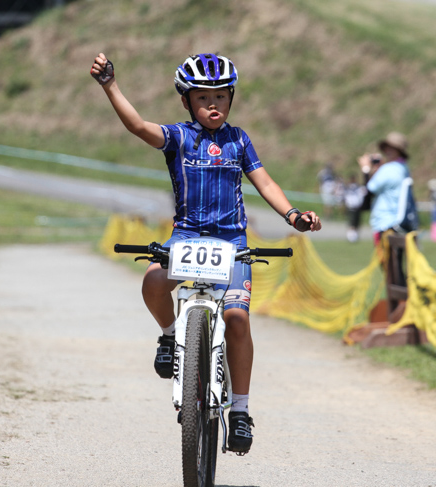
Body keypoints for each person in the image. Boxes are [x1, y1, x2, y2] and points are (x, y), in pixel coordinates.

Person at [90, 52, 321, 454]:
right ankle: (168, 337)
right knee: (152, 281)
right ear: (186, 102)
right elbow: (138, 126)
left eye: (220, 97)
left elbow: (264, 182)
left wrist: (293, 215)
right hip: (186, 239)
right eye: (202, 98)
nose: (212, 105)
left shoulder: (239, 139)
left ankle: (242, 412)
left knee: (236, 318)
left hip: (232, 243)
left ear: (232, 98)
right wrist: (110, 85)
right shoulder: (179, 137)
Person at [357, 132, 412, 245]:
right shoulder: (403, 168)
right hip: (399, 222)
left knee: (386, 261)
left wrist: (366, 169)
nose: (388, 151)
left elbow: (370, 189)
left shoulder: (388, 169)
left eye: (393, 148)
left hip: (385, 222)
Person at [343, 173, 366, 243]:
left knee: (357, 223)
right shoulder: (348, 187)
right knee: (351, 223)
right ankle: (351, 237)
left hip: (357, 207)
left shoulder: (358, 187)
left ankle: (354, 237)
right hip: (351, 207)